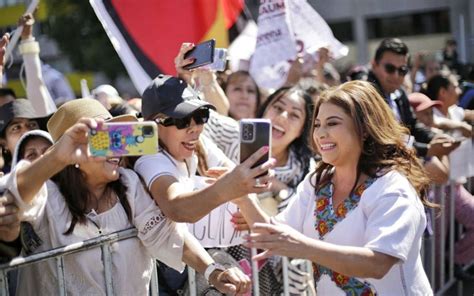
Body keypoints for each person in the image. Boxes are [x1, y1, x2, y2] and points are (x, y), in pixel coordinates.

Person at [4, 98, 251, 295]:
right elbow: (14, 193)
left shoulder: (129, 183)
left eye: (117, 137)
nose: (115, 149)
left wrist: (212, 271)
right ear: (72, 153)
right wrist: (57, 156)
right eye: (104, 139)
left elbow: (167, 234)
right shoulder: (48, 193)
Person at [236, 80, 434, 295]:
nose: (320, 133)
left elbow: (378, 263)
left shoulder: (392, 189)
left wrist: (302, 247)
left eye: (332, 123)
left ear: (365, 129)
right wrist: (239, 195)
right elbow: (274, 235)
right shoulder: (316, 183)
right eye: (317, 124)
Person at [133, 75, 271, 294]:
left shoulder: (199, 144)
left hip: (202, 273)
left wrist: (244, 197)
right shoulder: (150, 159)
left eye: (200, 116)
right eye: (181, 120)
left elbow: (237, 179)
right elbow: (177, 207)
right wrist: (229, 188)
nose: (194, 128)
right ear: (154, 125)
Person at [366, 37, 457, 159]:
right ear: (374, 65)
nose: (396, 75)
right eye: (390, 68)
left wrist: (434, 137)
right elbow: (384, 140)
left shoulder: (400, 92)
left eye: (402, 70)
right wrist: (427, 150)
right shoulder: (366, 96)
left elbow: (412, 126)